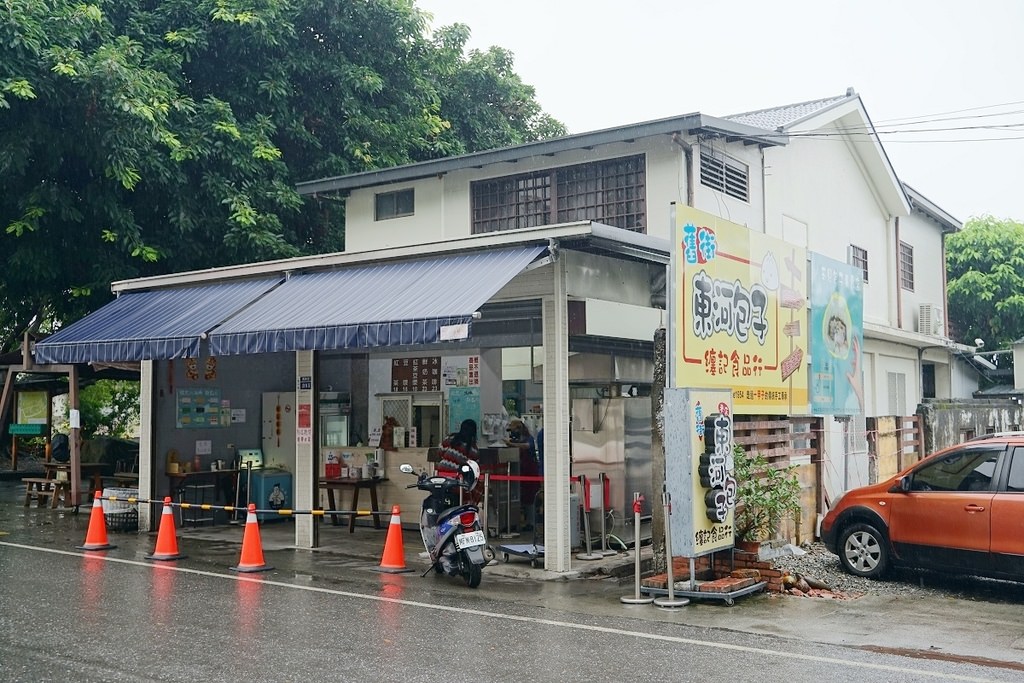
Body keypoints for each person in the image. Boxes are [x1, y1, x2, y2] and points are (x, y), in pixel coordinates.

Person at [437, 419, 480, 505]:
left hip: (441, 475)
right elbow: (474, 466)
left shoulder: (451, 439)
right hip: (456, 480)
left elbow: (440, 452)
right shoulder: (473, 449)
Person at [508, 419, 540, 530]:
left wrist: (511, 444)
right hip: (521, 471)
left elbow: (527, 446)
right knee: (523, 497)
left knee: (530, 498)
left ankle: (531, 523)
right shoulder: (517, 440)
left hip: (530, 472)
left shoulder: (529, 439)